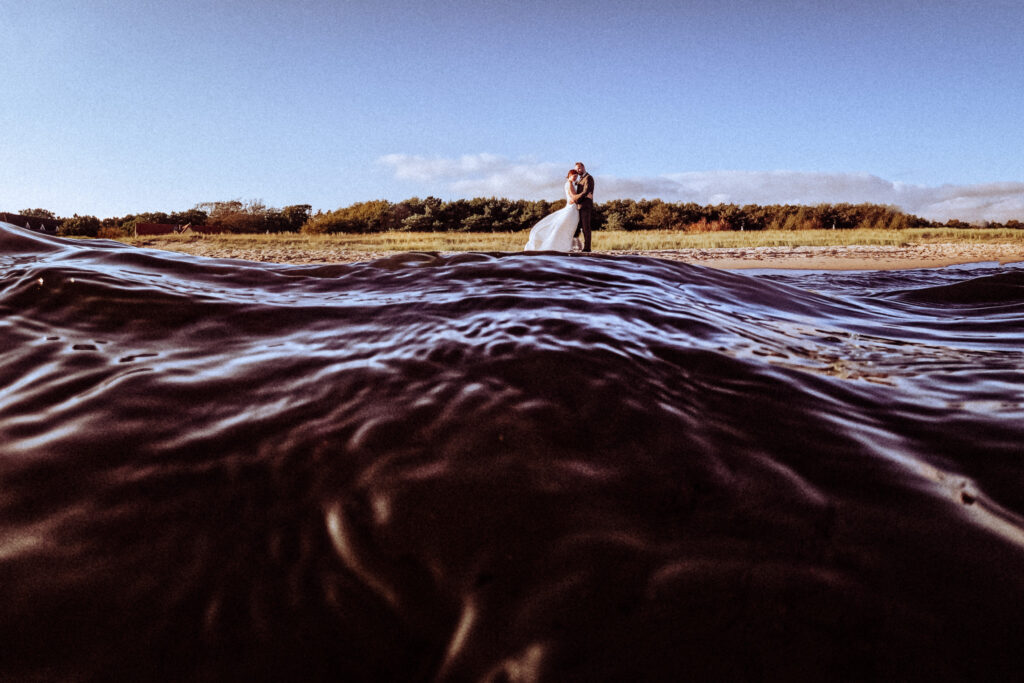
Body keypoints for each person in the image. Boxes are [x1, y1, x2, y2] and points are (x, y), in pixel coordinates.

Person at [524, 169, 583, 252]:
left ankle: (566, 246)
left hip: (572, 207)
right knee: (566, 227)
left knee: (568, 228)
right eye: (574, 176)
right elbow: (573, 197)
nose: (575, 178)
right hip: (571, 207)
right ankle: (561, 246)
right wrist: (583, 195)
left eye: (576, 177)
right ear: (569, 176)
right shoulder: (569, 184)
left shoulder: (570, 184)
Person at [572, 162, 595, 252]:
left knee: (586, 227)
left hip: (585, 206)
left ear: (583, 167)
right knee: (578, 227)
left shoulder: (588, 178)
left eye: (579, 168)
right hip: (580, 206)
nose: (578, 170)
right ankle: (577, 246)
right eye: (576, 169)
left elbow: (586, 191)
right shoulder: (580, 179)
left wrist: (575, 199)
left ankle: (587, 248)